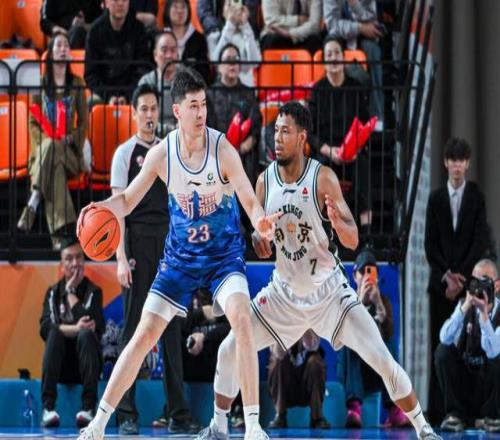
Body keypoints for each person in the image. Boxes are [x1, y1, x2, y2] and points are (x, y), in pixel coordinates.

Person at [195, 101, 441, 440]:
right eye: (276, 130)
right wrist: (260, 240)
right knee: (229, 349)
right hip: (283, 296)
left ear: (302, 137)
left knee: (382, 358)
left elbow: (353, 239)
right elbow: (260, 242)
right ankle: (219, 427)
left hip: (329, 294)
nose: (277, 137)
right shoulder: (264, 181)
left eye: (285, 131)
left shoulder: (322, 178)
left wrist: (339, 223)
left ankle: (424, 429)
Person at [77, 68, 280, 440]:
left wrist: (260, 221)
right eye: (193, 106)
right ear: (177, 111)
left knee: (241, 318)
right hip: (180, 259)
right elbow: (127, 200)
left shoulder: (222, 149)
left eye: (203, 105)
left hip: (222, 256)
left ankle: (252, 425)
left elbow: (250, 200)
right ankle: (98, 424)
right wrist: (100, 207)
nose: (201, 113)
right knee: (143, 334)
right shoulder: (162, 154)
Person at [110, 83, 198, 435]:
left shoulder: (169, 150)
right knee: (133, 330)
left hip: (169, 246)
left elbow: (183, 203)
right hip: (136, 244)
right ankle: (126, 414)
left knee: (171, 329)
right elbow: (118, 211)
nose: (149, 114)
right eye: (143, 109)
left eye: (152, 109)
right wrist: (120, 258)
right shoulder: (124, 154)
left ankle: (178, 414)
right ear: (134, 113)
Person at [424, 137, 490, 424]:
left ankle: (468, 410)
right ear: (445, 163)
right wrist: (446, 277)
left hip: (467, 287)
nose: (457, 166)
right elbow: (429, 245)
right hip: (440, 287)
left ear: (468, 164)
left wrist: (461, 279)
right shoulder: (435, 198)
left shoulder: (476, 197)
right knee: (440, 347)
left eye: (462, 160)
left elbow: (480, 241)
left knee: (469, 345)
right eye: (453, 160)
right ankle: (439, 409)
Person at [17, 32, 88, 250]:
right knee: (54, 166)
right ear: (50, 52)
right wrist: (47, 142)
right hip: (46, 154)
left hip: (70, 154)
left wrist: (71, 138)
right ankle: (61, 237)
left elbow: (83, 123)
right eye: (59, 45)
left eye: (66, 45)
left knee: (55, 153)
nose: (63, 48)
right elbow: (32, 121)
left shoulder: (77, 83)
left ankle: (34, 198)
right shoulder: (40, 84)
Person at [337, 249, 410, 429]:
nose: (367, 276)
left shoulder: (383, 301)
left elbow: (389, 336)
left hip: (377, 369)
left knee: (389, 343)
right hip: (353, 371)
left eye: (371, 271)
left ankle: (394, 409)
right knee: (349, 344)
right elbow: (341, 336)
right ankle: (354, 409)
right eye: (363, 271)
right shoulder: (346, 301)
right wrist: (360, 303)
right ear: (355, 275)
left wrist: (378, 306)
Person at [308, 36, 372, 234]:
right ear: (324, 62)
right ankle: (321, 231)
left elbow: (365, 123)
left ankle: (367, 232)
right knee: (319, 170)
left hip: (352, 148)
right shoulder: (317, 90)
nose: (333, 57)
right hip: (327, 149)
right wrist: (328, 150)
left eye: (337, 53)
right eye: (329, 54)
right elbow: (309, 132)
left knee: (363, 167)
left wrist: (354, 149)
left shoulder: (356, 87)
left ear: (343, 58)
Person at [39, 239, 104, 428]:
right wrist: (75, 328)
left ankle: (89, 408)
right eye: (69, 259)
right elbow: (46, 328)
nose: (75, 263)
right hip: (60, 366)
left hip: (86, 367)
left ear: (84, 260)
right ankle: (48, 408)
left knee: (86, 336)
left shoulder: (94, 291)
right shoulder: (53, 292)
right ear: (62, 264)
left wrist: (70, 293)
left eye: (79, 257)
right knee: (55, 334)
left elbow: (92, 324)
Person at [435, 259, 500, 433]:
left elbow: (494, 352)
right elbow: (444, 338)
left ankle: (492, 417)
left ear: (497, 286)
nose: (478, 287)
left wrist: (484, 316)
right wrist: (465, 307)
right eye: (474, 281)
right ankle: (455, 415)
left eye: (484, 281)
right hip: (467, 381)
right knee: (443, 352)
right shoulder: (464, 306)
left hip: (490, 388)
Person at [323, 0, 385, 127]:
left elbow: (372, 21)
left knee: (373, 51)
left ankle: (376, 117)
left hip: (363, 39)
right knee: (329, 48)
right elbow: (332, 25)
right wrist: (359, 28)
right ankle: (327, 116)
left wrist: (354, 4)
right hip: (339, 36)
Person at [207, 43, 262, 183]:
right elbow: (208, 127)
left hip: (243, 153)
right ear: (219, 67)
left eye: (236, 60)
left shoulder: (249, 93)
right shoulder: (210, 94)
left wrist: (245, 146)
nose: (232, 64)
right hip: (217, 151)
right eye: (228, 60)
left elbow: (255, 124)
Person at [84, 0, 151, 105]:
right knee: (91, 102)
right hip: (103, 94)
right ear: (106, 3)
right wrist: (109, 96)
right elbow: (91, 74)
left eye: (124, 0)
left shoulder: (139, 29)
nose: (120, 3)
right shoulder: (95, 31)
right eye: (115, 0)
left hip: (133, 92)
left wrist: (128, 95)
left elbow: (142, 68)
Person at [267, 330, 331, 429]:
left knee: (315, 362)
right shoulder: (276, 322)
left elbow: (312, 346)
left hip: (306, 384)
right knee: (277, 362)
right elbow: (278, 353)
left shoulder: (311, 320)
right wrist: (285, 328)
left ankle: (317, 416)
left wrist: (304, 325)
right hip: (286, 385)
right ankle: (280, 415)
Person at [207, 0, 261, 87]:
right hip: (222, 88)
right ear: (223, 12)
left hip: (246, 88)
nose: (233, 9)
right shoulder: (214, 35)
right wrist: (230, 25)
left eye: (236, 3)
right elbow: (216, 61)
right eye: (229, 4)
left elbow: (255, 62)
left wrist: (245, 25)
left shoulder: (250, 34)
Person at [182, 288, 231, 382]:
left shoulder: (224, 292)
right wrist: (201, 313)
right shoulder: (185, 293)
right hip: (189, 369)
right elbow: (177, 327)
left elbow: (232, 328)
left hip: (219, 370)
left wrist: (205, 337)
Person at [139, 29, 180, 135]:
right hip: (153, 137)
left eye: (173, 50)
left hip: (184, 138)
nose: (169, 55)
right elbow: (144, 121)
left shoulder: (187, 79)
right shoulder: (146, 82)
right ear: (155, 55)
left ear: (178, 54)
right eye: (164, 50)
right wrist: (170, 130)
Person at [163, 0, 210, 81]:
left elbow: (204, 71)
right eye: (175, 7)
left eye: (183, 7)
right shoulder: (161, 37)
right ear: (168, 9)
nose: (180, 11)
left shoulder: (199, 39)